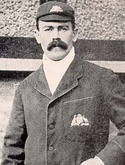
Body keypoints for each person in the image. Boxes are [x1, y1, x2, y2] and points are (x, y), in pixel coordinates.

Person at [1, 1, 125, 165]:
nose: (56, 36)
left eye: (63, 28)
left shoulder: (102, 79)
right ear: (37, 36)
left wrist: (101, 161)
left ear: (74, 34)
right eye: (48, 29)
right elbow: (12, 152)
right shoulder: (26, 88)